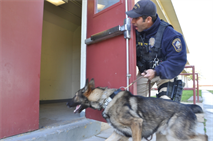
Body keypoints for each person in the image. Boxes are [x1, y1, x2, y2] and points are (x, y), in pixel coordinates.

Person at [126, 0, 187, 99]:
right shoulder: (134, 31)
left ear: (148, 19)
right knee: (133, 104)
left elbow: (177, 60)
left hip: (164, 73)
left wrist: (156, 71)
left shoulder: (171, 35)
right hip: (144, 73)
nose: (132, 22)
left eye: (136, 18)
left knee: (166, 105)